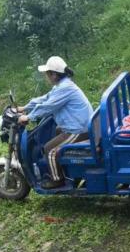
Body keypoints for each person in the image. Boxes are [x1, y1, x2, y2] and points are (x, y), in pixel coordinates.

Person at [18, 56, 93, 189]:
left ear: (54, 75)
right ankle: (62, 167)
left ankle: (57, 180)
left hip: (79, 129)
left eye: (47, 74)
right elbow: (45, 98)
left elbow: (47, 106)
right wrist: (25, 107)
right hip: (78, 125)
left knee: (49, 149)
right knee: (57, 131)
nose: (46, 77)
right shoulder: (62, 85)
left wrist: (28, 117)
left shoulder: (64, 88)